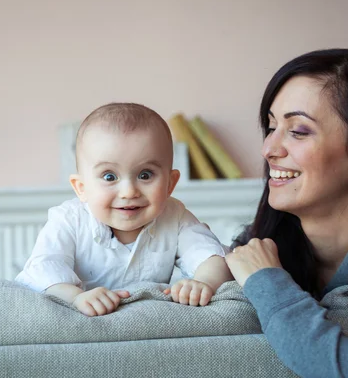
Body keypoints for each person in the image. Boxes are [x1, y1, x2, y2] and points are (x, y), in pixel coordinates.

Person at [225, 48, 348, 377]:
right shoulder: (251, 246)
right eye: (271, 127)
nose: (268, 149)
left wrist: (268, 284)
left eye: (298, 131)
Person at [16, 103, 232, 317]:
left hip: (148, 322)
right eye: (109, 176)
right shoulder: (69, 220)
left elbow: (211, 257)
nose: (129, 191)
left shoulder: (175, 216)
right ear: (81, 188)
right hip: (88, 322)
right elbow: (43, 272)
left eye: (145, 175)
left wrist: (203, 283)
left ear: (170, 184)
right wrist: (75, 297)